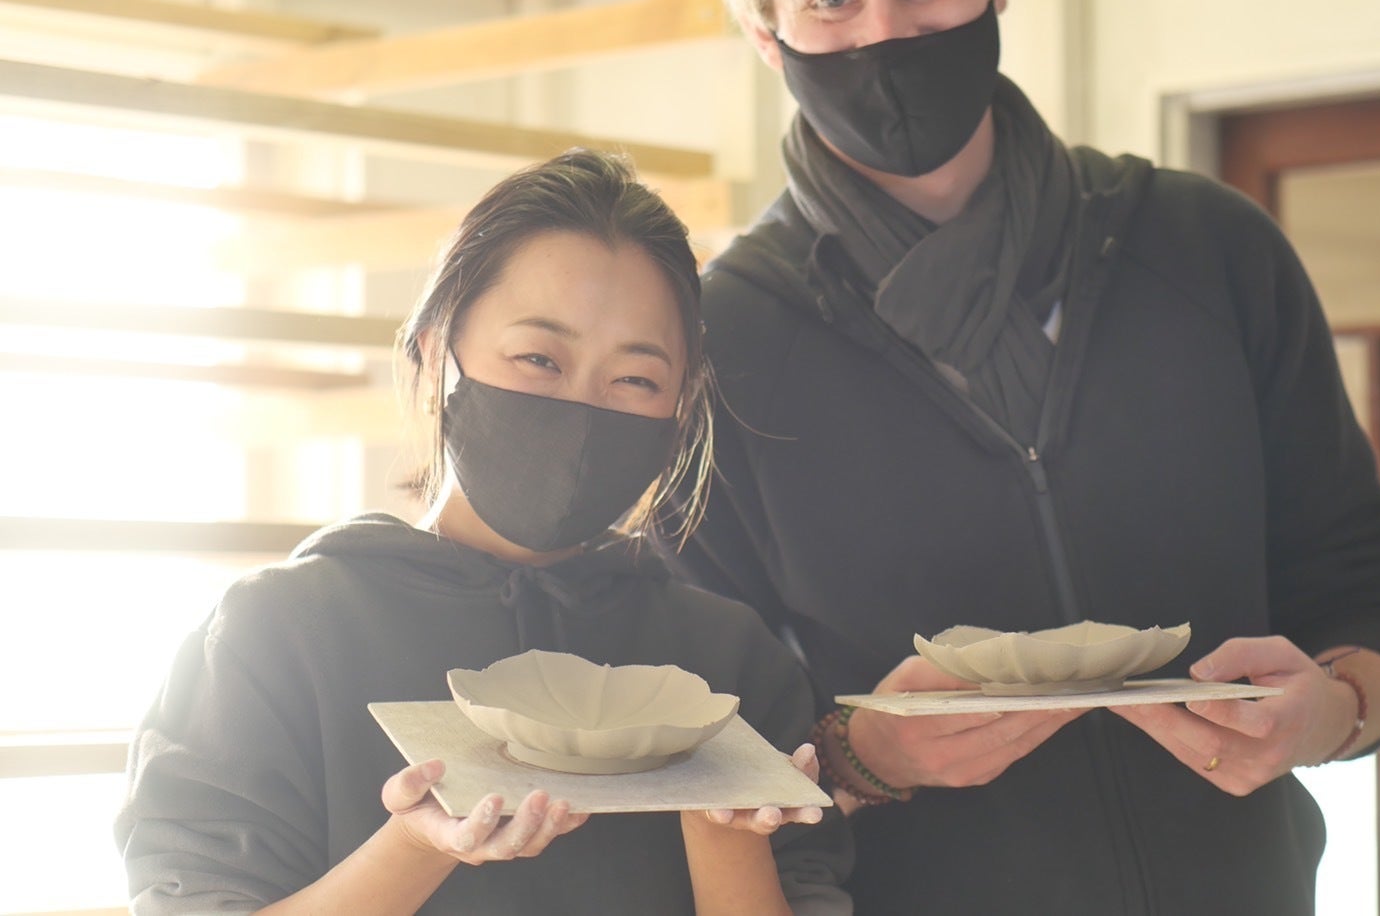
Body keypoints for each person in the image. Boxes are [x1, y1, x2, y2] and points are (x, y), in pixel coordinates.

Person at [666, 0, 1380, 913]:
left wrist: (1332, 712)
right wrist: (864, 755)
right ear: (767, 31)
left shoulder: (1210, 252)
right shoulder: (721, 347)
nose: (885, 32)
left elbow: (1359, 589)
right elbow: (702, 741)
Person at [115, 149, 852, 915]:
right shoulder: (278, 633)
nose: (582, 408)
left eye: (635, 378)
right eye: (539, 358)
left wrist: (727, 831)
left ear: (681, 406)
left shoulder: (728, 662)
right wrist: (416, 847)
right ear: (438, 349)